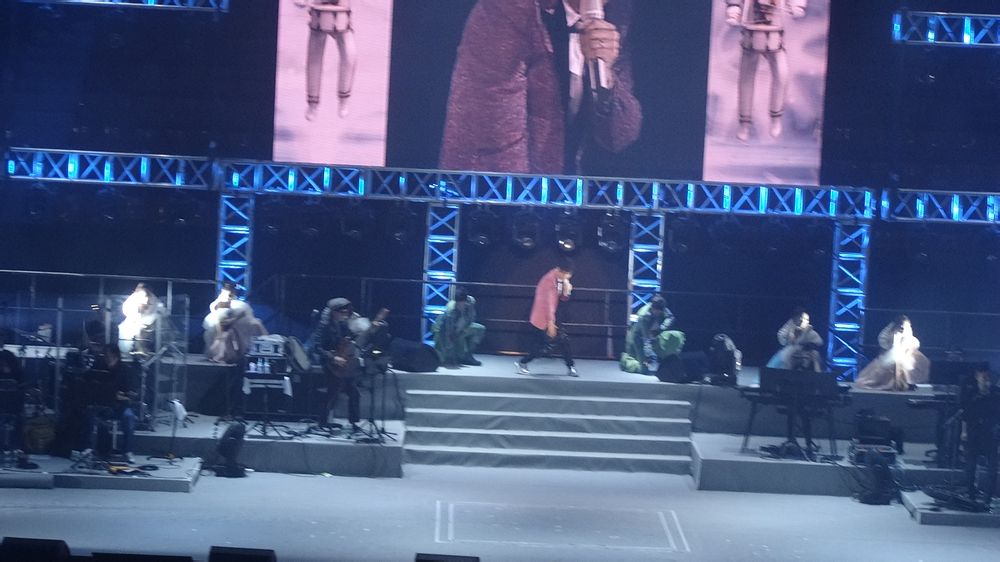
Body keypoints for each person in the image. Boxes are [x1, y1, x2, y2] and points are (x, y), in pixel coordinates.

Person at [440, 0, 642, 175]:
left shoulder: (616, 14)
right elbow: (495, 131)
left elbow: (619, 136)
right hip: (490, 188)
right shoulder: (510, 9)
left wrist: (607, 77)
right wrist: (523, 202)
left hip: (561, 191)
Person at [724, 0, 807, 141]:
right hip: (751, 27)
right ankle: (744, 123)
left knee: (782, 73)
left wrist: (796, 6)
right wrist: (733, 9)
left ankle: (776, 118)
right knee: (746, 77)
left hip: (775, 29)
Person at [314, 298, 388, 433]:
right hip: (331, 363)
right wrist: (333, 357)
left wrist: (369, 328)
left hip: (345, 362)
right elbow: (317, 347)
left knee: (354, 393)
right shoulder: (324, 326)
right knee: (332, 392)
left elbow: (354, 338)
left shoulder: (342, 325)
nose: (345, 314)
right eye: (342, 312)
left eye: (346, 312)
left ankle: (353, 423)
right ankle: (322, 422)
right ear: (334, 312)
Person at [296, 0, 357, 120]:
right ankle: (312, 103)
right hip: (319, 5)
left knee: (350, 54)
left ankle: (344, 100)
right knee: (314, 56)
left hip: (342, 7)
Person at [516, 259, 577, 377]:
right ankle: (523, 362)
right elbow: (547, 304)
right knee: (545, 346)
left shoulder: (561, 280)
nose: (568, 277)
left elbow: (562, 299)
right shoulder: (548, 281)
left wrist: (567, 291)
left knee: (562, 341)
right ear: (560, 270)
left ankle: (571, 367)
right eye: (566, 274)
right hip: (542, 318)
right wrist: (550, 323)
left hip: (552, 316)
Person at [82, 344, 138, 463]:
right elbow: (89, 384)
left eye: (108, 355)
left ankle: (128, 451)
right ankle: (88, 447)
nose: (105, 358)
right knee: (88, 414)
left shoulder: (125, 370)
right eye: (105, 355)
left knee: (129, 417)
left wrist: (122, 396)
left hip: (119, 406)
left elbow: (130, 393)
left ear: (115, 355)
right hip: (101, 404)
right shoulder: (98, 367)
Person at [855, 315, 930, 391]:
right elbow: (884, 341)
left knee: (917, 362)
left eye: (905, 326)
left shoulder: (908, 331)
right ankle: (894, 384)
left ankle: (906, 383)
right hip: (892, 353)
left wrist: (906, 350)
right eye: (901, 326)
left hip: (906, 354)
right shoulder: (891, 332)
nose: (902, 328)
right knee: (891, 364)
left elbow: (912, 343)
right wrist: (892, 349)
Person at [960, 366, 1000, 503]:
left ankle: (988, 497)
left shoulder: (996, 394)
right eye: (983, 377)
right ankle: (971, 493)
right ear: (977, 377)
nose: (986, 380)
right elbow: (965, 414)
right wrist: (964, 431)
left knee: (992, 467)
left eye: (988, 378)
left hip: (990, 433)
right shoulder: (971, 394)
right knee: (970, 465)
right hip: (974, 433)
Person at [620, 295, 686, 375]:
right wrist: (647, 356)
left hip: (649, 335)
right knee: (643, 369)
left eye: (661, 311)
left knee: (644, 363)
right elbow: (646, 339)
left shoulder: (661, 307)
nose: (659, 313)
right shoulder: (644, 316)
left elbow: (670, 317)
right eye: (657, 311)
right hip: (636, 338)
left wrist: (661, 328)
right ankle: (625, 361)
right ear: (653, 308)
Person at [203, 283, 268, 364]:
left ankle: (223, 354)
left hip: (232, 323)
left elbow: (242, 314)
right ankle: (221, 354)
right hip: (224, 323)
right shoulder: (219, 303)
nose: (228, 297)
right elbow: (219, 316)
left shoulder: (238, 305)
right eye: (227, 294)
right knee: (223, 337)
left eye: (230, 295)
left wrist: (233, 319)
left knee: (255, 324)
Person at [432, 286, 486, 368]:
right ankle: (451, 355)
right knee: (443, 358)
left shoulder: (471, 302)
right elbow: (448, 331)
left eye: (462, 303)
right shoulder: (450, 310)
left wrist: (462, 330)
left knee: (480, 329)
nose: (460, 306)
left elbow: (471, 317)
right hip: (442, 330)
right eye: (458, 303)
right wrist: (451, 342)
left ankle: (467, 356)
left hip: (462, 328)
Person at [766, 307, 823, 372]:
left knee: (814, 355)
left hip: (804, 354)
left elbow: (819, 342)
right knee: (784, 356)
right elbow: (782, 337)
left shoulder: (810, 331)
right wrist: (790, 338)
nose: (803, 321)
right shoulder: (790, 327)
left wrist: (806, 346)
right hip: (790, 354)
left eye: (806, 319)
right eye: (800, 318)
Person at [118, 283, 164, 355]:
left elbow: (162, 312)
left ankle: (144, 351)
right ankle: (130, 351)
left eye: (147, 296)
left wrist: (152, 324)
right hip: (133, 324)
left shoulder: (155, 301)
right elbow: (127, 312)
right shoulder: (131, 301)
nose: (146, 301)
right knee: (128, 331)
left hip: (152, 326)